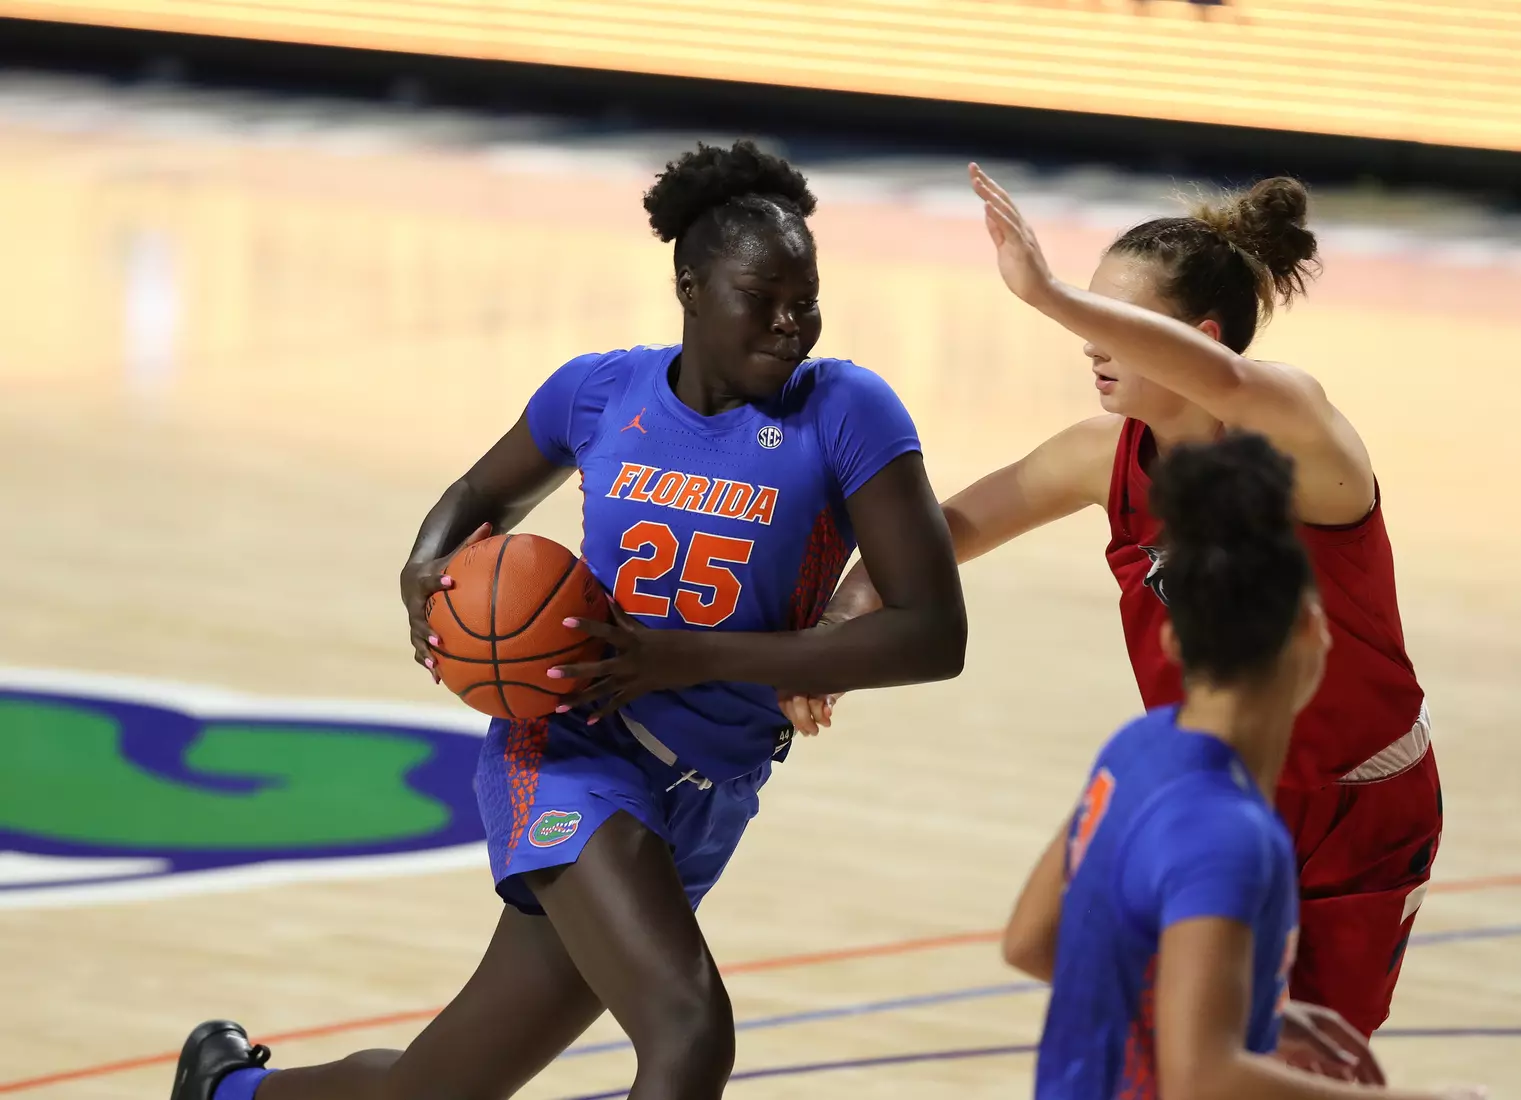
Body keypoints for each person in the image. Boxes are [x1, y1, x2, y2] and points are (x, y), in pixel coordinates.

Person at [168, 140, 966, 1100]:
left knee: (439, 1089)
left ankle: (227, 1093)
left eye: (808, 298)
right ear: (691, 287)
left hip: (712, 784)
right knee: (687, 1032)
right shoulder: (601, 390)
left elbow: (932, 635)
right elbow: (477, 496)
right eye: (764, 297)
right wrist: (427, 564)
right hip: (572, 748)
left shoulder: (847, 410)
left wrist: (685, 659)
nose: (794, 324)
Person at [784, 164, 1441, 1042]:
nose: (1089, 341)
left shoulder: (1293, 427)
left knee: (1314, 1057)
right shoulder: (1103, 455)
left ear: (1201, 340)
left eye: (1117, 322)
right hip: (1206, 781)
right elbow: (936, 534)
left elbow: (1238, 388)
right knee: (1184, 1041)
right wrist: (835, 629)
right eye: (1087, 314)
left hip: (1355, 804)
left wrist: (1047, 292)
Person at [1001, 431, 1481, 1100]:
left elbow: (1027, 942)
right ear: (1313, 631)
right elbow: (1206, 1075)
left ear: (1172, 638)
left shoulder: (1134, 752)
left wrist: (1257, 1014)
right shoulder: (1233, 834)